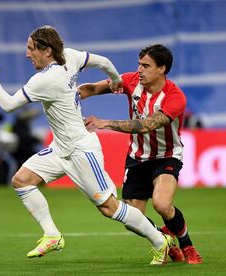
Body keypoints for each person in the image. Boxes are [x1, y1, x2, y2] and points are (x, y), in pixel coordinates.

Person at [0, 26, 173, 265]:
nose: (27, 54)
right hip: (61, 148)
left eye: (31, 49)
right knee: (22, 180)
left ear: (47, 51)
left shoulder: (44, 80)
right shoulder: (70, 56)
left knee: (110, 208)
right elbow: (103, 61)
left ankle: (160, 241)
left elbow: (8, 105)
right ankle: (52, 235)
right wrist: (114, 80)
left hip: (81, 150)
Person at [80, 44, 203, 264]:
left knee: (162, 204)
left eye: (146, 66)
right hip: (137, 158)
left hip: (166, 156)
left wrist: (106, 122)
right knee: (132, 219)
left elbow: (146, 125)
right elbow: (93, 89)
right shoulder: (130, 81)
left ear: (162, 69)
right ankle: (164, 240)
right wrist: (66, 96)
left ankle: (188, 245)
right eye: (139, 64)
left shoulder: (175, 98)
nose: (139, 70)